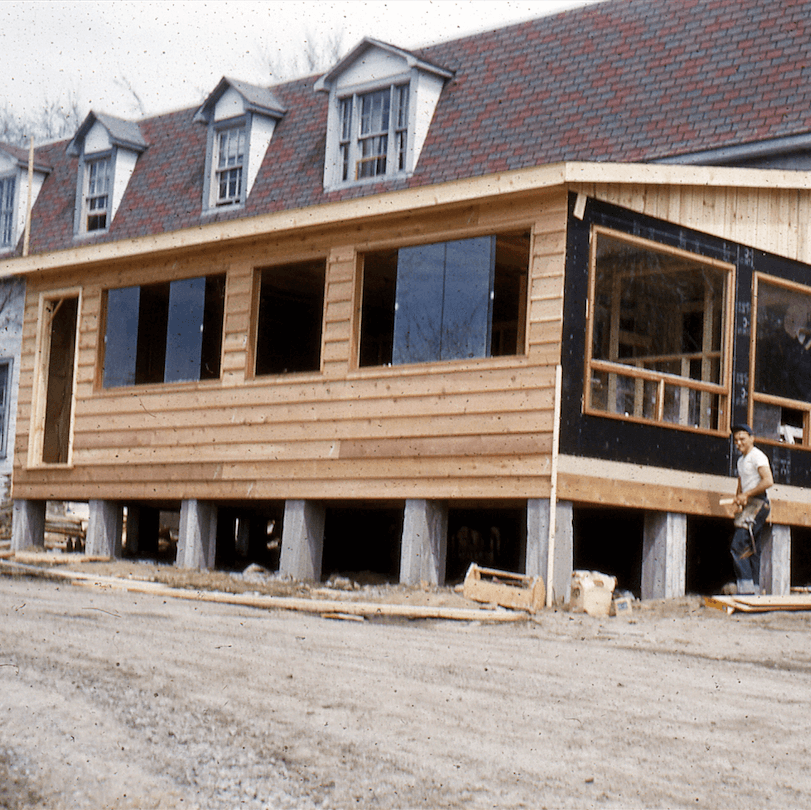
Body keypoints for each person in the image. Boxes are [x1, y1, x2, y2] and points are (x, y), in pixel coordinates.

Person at [729, 424, 773, 595]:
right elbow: (741, 484)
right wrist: (739, 499)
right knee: (752, 549)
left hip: (759, 503)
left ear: (752, 439)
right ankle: (754, 590)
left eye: (742, 439)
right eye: (736, 440)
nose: (738, 443)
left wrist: (746, 495)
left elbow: (768, 481)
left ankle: (746, 591)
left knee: (738, 546)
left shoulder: (758, 456)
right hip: (748, 505)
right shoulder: (741, 460)